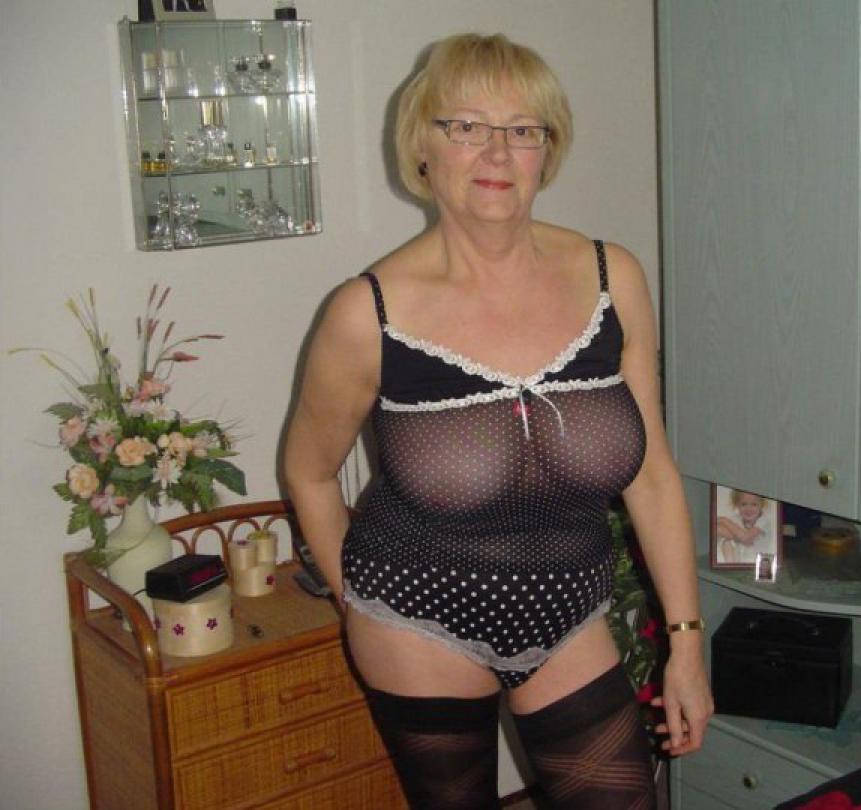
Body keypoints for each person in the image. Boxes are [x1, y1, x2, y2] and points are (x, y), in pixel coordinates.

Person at [284, 33, 711, 809]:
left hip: (570, 616)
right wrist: (360, 602)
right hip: (417, 622)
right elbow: (309, 474)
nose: (497, 152)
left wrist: (687, 645)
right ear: (422, 146)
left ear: (549, 150)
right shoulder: (367, 313)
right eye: (466, 126)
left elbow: (651, 477)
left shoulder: (614, 278)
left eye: (523, 129)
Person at [716, 490, 775, 564]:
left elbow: (746, 538)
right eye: (743, 504)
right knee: (726, 542)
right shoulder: (736, 519)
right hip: (739, 560)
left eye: (754, 504)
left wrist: (723, 520)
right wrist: (739, 537)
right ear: (737, 505)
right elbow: (718, 529)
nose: (748, 509)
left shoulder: (763, 520)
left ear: (762, 505)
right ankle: (730, 567)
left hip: (758, 562)